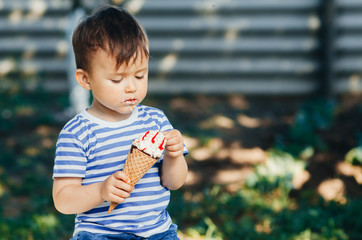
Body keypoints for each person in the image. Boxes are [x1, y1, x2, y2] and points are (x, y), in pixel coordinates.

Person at [52, 5, 188, 240]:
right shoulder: (77, 133)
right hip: (99, 234)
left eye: (139, 75)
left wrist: (175, 156)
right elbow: (63, 200)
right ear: (85, 79)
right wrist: (101, 190)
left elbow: (173, 182)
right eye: (117, 79)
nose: (131, 87)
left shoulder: (155, 120)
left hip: (157, 232)